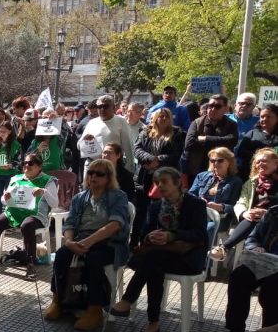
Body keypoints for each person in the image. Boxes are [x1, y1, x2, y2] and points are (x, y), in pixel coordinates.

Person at [111, 167, 209, 332]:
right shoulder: (156, 207)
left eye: (164, 181)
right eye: (157, 182)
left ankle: (131, 302)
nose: (160, 186)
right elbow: (143, 235)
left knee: (151, 261)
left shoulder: (196, 204)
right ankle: (152, 323)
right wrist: (151, 236)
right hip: (162, 255)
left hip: (188, 256)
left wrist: (172, 235)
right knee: (153, 265)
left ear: (178, 183)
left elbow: (200, 235)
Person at [44, 159, 130, 331]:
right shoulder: (80, 198)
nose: (93, 177)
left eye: (99, 174)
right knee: (61, 255)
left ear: (109, 177)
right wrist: (69, 242)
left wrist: (88, 242)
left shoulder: (117, 196)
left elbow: (115, 225)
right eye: (91, 173)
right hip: (81, 240)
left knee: (94, 259)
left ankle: (94, 310)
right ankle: (58, 300)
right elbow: (70, 224)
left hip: (109, 242)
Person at [0, 153, 59, 280]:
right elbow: (4, 200)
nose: (26, 166)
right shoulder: (16, 178)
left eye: (30, 163)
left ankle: (30, 265)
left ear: (39, 166)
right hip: (14, 213)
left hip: (36, 215)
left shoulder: (47, 180)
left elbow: (55, 203)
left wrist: (44, 192)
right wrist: (6, 197)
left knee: (27, 225)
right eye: (24, 163)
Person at [213, 205, 278, 332]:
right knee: (238, 277)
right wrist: (255, 247)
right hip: (264, 260)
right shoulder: (274, 212)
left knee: (272, 286)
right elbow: (253, 237)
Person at [210, 149, 278, 261]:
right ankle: (252, 249)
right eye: (258, 162)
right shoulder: (251, 183)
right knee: (251, 217)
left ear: (275, 163)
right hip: (255, 220)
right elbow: (241, 201)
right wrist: (244, 212)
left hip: (274, 218)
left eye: (264, 161)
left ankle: (225, 248)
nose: (260, 164)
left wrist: (268, 213)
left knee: (259, 219)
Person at [131, 108, 185, 246]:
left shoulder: (177, 133)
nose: (163, 119)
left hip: (165, 179)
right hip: (144, 177)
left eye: (166, 116)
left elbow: (176, 154)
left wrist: (158, 160)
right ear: (155, 118)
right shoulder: (145, 131)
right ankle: (135, 242)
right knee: (141, 212)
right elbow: (137, 149)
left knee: (161, 211)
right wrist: (150, 159)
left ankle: (156, 242)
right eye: (160, 116)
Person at [188, 147, 242, 240]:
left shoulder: (236, 182)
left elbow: (235, 207)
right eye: (212, 160)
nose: (215, 163)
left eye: (220, 160)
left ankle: (203, 252)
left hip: (220, 217)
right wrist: (199, 200)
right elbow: (190, 195)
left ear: (229, 162)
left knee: (209, 228)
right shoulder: (201, 176)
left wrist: (221, 207)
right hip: (199, 213)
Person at [184, 95, 239, 181]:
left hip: (222, 172)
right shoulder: (197, 123)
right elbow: (189, 144)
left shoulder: (231, 124)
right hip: (197, 170)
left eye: (217, 106)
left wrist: (206, 139)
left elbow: (232, 141)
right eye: (210, 106)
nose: (212, 109)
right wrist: (219, 142)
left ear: (225, 109)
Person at [79, 95, 136, 174]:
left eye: (105, 106)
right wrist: (84, 140)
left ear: (113, 107)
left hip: (112, 168)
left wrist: (130, 167)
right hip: (91, 166)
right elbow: (79, 146)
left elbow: (128, 146)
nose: (102, 109)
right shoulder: (92, 123)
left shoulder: (121, 122)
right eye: (99, 106)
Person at [234, 103, 278, 182]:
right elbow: (241, 151)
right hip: (250, 176)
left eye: (268, 116)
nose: (264, 119)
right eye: (262, 117)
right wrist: (259, 157)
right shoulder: (252, 134)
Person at [0, 121, 22, 217]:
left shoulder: (15, 144)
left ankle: (12, 219)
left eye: (4, 131)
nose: (2, 133)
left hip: (10, 175)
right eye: (0, 131)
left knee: (10, 198)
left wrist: (10, 165)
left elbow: (18, 161)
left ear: (10, 132)